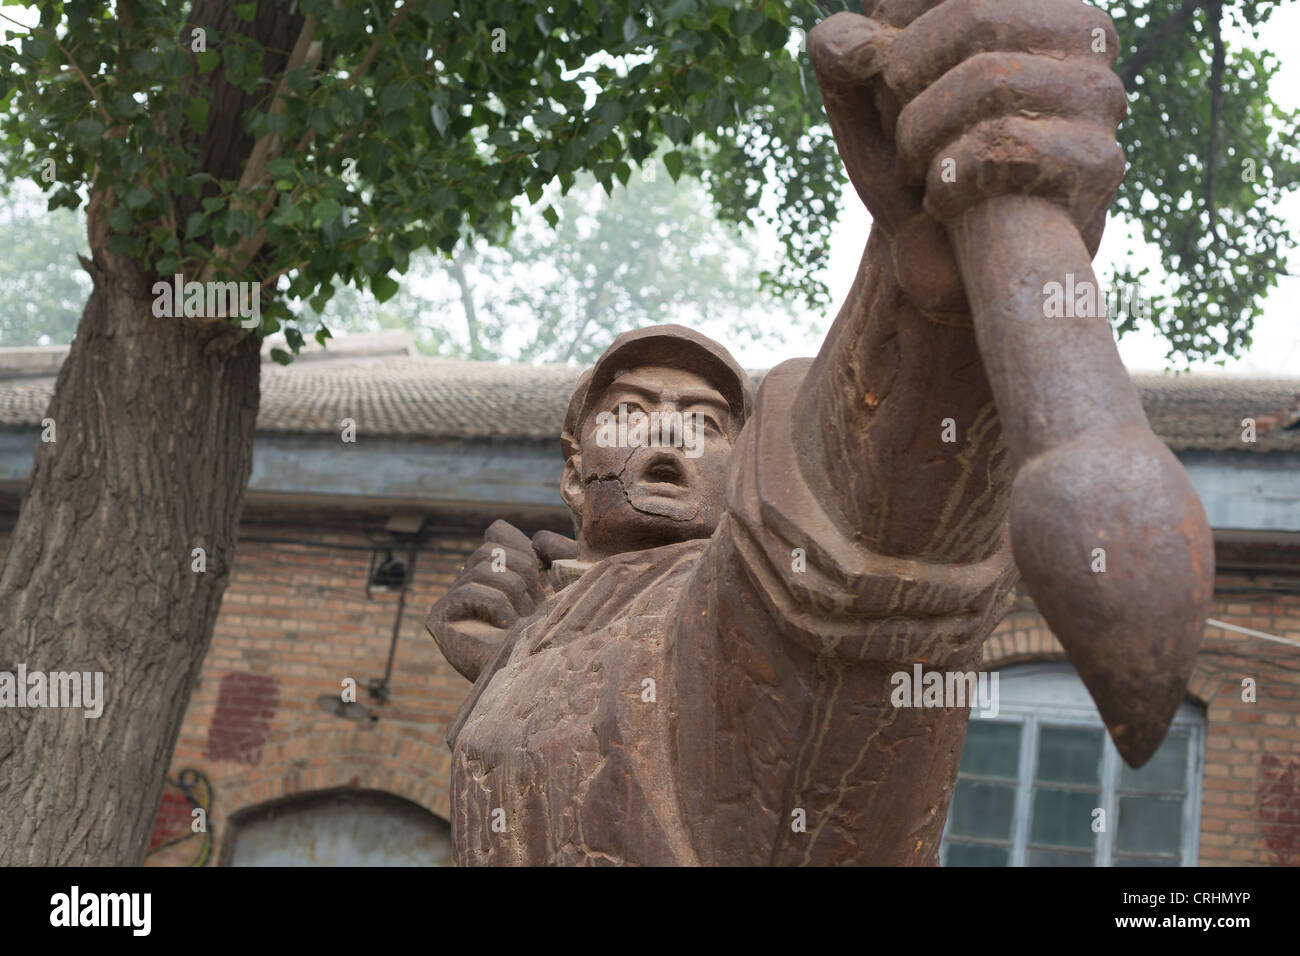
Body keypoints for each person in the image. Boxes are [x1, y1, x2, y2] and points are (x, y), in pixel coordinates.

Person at [428, 0, 1129, 865]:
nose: (662, 440)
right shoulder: (543, 623)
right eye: (629, 412)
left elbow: (861, 530)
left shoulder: (739, 601)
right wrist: (517, 664)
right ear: (572, 474)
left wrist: (926, 297)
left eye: (703, 423)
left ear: (745, 464)